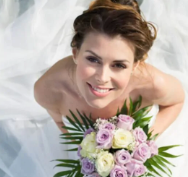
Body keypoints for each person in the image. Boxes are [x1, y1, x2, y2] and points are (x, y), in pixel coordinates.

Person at [0, 0, 188, 177]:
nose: (102, 78)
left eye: (119, 65)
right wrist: (86, 151)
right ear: (75, 53)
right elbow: (62, 124)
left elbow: (176, 101)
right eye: (93, 59)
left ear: (136, 65)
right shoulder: (48, 89)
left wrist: (143, 142)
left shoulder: (153, 83)